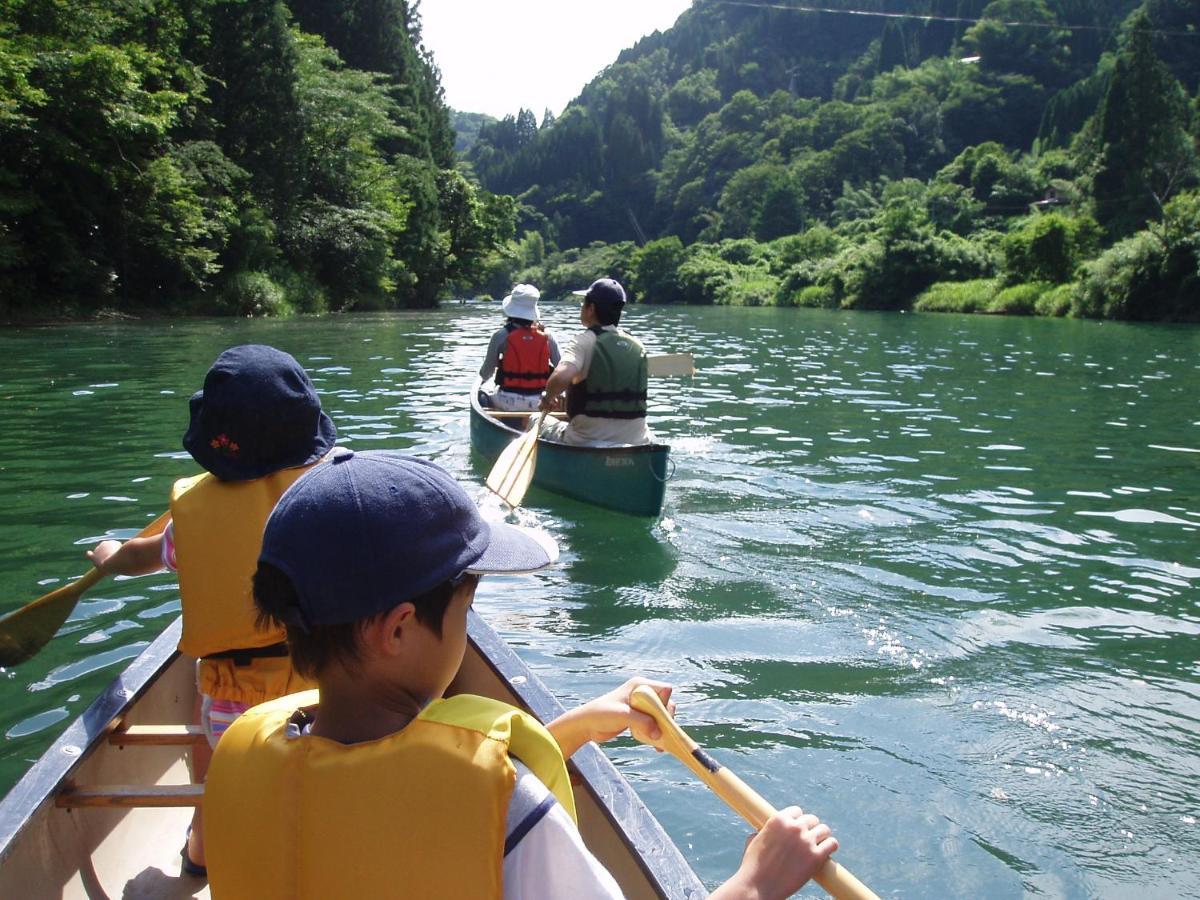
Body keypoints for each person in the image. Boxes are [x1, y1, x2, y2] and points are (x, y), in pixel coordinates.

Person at [204, 449, 839, 899]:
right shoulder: (515, 812)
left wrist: (578, 727)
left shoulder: (246, 749)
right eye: (465, 609)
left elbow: (405, 796)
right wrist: (756, 881)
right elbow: (467, 806)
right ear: (397, 630)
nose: (467, 626)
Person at [85, 344, 337, 878]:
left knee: (215, 772)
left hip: (231, 693)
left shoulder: (191, 519)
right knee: (324, 773)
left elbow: (140, 558)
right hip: (328, 684)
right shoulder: (332, 498)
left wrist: (110, 556)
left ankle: (201, 852)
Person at [539, 277, 651, 446]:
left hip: (585, 439)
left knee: (534, 420)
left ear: (590, 309)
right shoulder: (638, 346)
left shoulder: (584, 341)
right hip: (636, 441)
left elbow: (561, 377)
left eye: (583, 304)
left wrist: (548, 397)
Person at [479, 283, 561, 412]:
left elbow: (486, 373)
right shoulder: (548, 336)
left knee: (482, 390)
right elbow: (561, 369)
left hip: (507, 402)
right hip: (540, 402)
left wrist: (483, 377)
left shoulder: (501, 335)